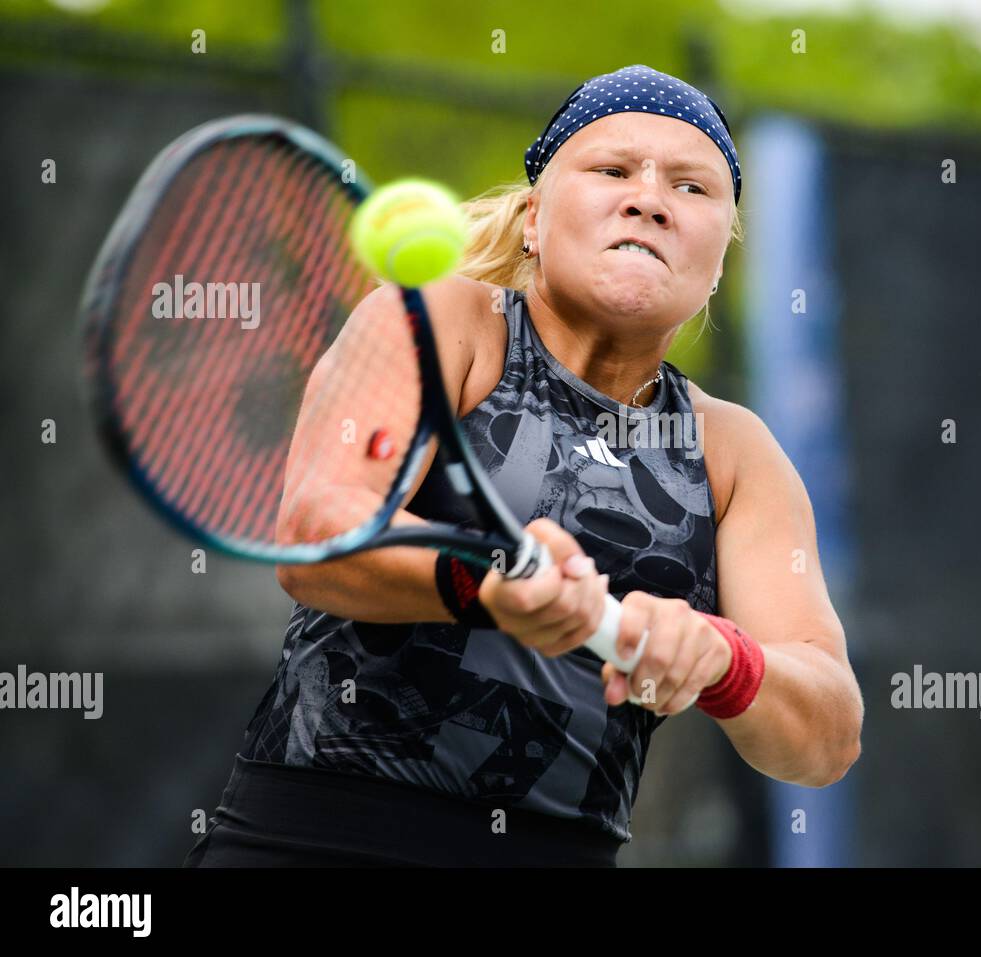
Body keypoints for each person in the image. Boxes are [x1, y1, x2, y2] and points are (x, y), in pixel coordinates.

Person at [183, 64, 862, 868]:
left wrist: (722, 656)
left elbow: (827, 734)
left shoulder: (735, 450)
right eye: (612, 170)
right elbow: (319, 528)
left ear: (720, 260)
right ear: (535, 218)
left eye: (692, 187)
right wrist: (486, 583)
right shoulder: (444, 318)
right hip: (314, 841)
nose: (648, 197)